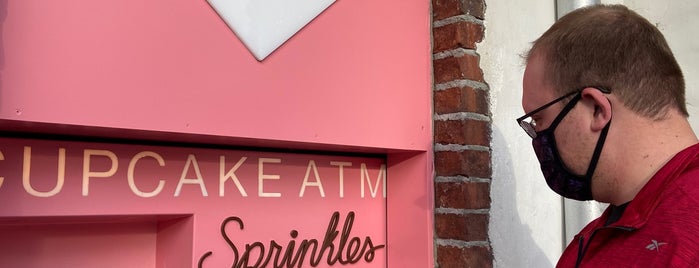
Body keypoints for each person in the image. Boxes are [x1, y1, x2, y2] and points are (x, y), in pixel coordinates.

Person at [517, 4, 699, 267]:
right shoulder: (595, 238)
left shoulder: (685, 233)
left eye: (538, 119)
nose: (538, 135)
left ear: (596, 109)